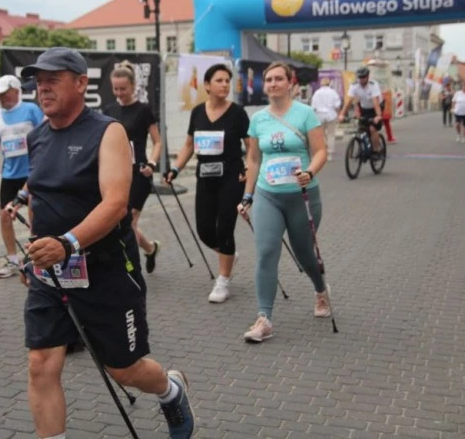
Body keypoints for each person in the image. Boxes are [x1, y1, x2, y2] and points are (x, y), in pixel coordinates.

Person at [18, 47, 194, 438]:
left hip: (106, 270)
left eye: (53, 80)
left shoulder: (107, 131)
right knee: (41, 364)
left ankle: (170, 390)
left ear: (81, 83)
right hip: (52, 275)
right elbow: (39, 199)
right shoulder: (37, 138)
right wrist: (33, 254)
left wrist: (66, 243)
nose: (42, 89)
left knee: (124, 369)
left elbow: (116, 204)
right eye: (38, 82)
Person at [237, 61, 330, 343]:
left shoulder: (305, 114)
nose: (273, 84)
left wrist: (310, 172)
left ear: (290, 83)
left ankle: (320, 288)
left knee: (304, 254)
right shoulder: (258, 120)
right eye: (269, 80)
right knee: (266, 251)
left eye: (279, 79)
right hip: (268, 194)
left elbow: (320, 151)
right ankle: (264, 318)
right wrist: (248, 195)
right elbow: (253, 159)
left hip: (302, 196)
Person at [165, 63, 249, 304]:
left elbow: (251, 148)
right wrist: (175, 168)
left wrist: (250, 172)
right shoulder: (198, 112)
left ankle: (223, 280)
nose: (224, 85)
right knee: (204, 230)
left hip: (232, 176)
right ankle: (228, 254)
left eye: (227, 81)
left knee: (224, 228)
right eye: (219, 80)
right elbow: (190, 145)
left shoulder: (238, 113)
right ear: (207, 85)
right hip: (205, 176)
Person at [0, 74, 44, 278]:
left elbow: (46, 136)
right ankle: (13, 260)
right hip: (10, 174)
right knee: (5, 215)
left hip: (31, 172)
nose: (1, 98)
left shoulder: (31, 110)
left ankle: (36, 256)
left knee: (34, 215)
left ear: (16, 91)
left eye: (4, 94)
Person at [104, 61, 162, 273]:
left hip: (139, 173)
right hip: (117, 173)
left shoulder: (143, 110)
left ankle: (128, 267)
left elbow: (158, 141)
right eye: (115, 88)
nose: (119, 93)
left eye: (123, 89)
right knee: (121, 221)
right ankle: (150, 248)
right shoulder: (109, 110)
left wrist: (152, 163)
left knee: (129, 223)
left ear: (133, 86)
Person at [339, 67, 383, 154]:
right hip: (364, 107)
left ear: (367, 77)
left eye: (364, 77)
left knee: (372, 128)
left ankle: (376, 150)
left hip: (376, 108)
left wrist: (378, 116)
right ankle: (363, 146)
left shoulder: (373, 85)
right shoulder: (354, 85)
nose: (362, 80)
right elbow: (348, 101)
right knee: (361, 127)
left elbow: (375, 102)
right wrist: (342, 114)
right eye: (360, 77)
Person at [310, 79, 341, 161]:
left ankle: (323, 150)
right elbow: (337, 105)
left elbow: (313, 107)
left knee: (321, 135)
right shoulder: (333, 92)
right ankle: (330, 153)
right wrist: (339, 114)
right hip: (331, 115)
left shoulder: (317, 93)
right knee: (331, 134)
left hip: (319, 115)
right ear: (329, 84)